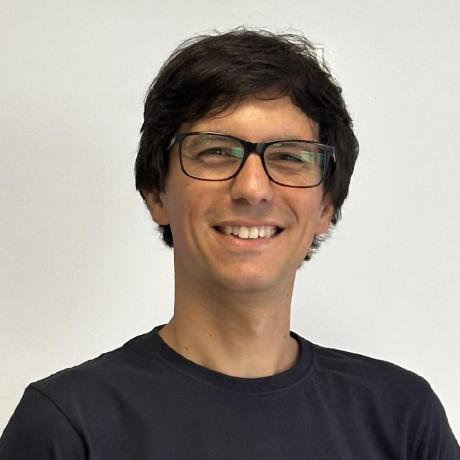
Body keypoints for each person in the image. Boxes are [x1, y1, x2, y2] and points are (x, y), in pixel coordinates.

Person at [0, 29, 458, 460]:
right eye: (216, 151)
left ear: (326, 206)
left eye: (288, 156)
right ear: (156, 194)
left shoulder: (402, 419)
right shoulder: (67, 425)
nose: (253, 188)